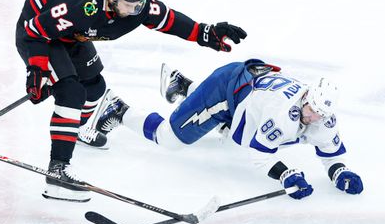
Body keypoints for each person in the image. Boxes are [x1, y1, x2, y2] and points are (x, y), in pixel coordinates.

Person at [15, 0, 247, 202]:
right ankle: (58, 173)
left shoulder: (136, 4)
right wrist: (37, 69)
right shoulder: (81, 8)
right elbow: (34, 32)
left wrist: (204, 32)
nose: (136, 10)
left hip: (72, 34)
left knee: (94, 87)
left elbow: (167, 19)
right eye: (130, 5)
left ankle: (75, 130)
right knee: (71, 92)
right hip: (38, 31)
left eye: (139, 4)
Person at [95, 59, 364, 199]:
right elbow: (260, 154)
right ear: (305, 98)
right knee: (170, 139)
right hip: (228, 89)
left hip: (249, 93)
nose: (315, 117)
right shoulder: (284, 114)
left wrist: (340, 172)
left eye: (320, 114)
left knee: (230, 130)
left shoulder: (322, 116)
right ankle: (118, 110)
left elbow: (330, 151)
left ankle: (181, 85)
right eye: (312, 109)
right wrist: (286, 174)